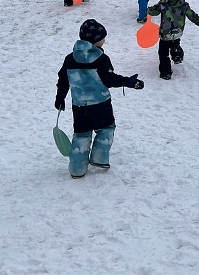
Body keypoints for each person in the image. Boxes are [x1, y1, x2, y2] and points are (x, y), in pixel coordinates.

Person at [54, 19, 144, 178]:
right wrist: (128, 82)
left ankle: (77, 168)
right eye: (103, 38)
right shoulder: (101, 59)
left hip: (79, 106)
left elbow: (63, 80)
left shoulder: (70, 59)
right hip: (100, 104)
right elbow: (109, 80)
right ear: (95, 40)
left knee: (81, 134)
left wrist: (60, 98)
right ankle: (99, 158)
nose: (105, 40)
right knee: (106, 129)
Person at [147, 0, 199, 79]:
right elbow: (193, 16)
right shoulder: (184, 5)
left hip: (166, 33)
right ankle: (177, 55)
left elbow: (154, 11)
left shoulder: (164, 3)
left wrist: (148, 10)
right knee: (175, 43)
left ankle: (166, 73)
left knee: (163, 53)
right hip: (177, 32)